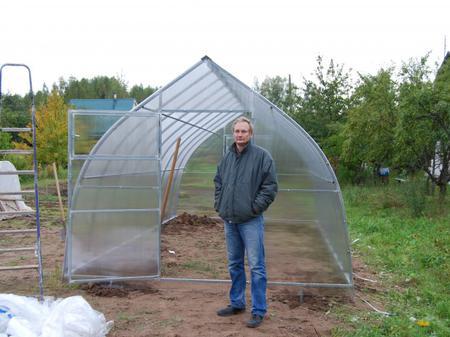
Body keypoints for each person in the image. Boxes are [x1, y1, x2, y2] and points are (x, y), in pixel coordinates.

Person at [214, 116, 278, 328]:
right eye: (237, 131)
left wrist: (254, 208)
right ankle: (237, 303)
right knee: (234, 264)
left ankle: (258, 310)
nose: (240, 135)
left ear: (250, 134)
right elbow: (219, 182)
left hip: (250, 221)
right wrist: (220, 205)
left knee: (257, 266)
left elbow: (270, 187)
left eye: (244, 131)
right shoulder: (228, 157)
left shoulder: (262, 157)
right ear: (233, 133)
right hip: (230, 220)